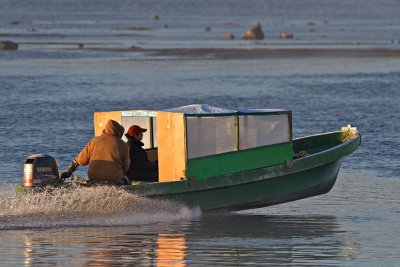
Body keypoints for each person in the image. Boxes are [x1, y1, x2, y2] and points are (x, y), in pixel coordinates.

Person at [60, 119, 130, 185]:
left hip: (94, 179)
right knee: (126, 179)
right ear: (120, 132)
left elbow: (78, 161)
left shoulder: (94, 141)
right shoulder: (124, 145)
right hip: (114, 180)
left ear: (105, 129)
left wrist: (68, 171)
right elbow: (126, 167)